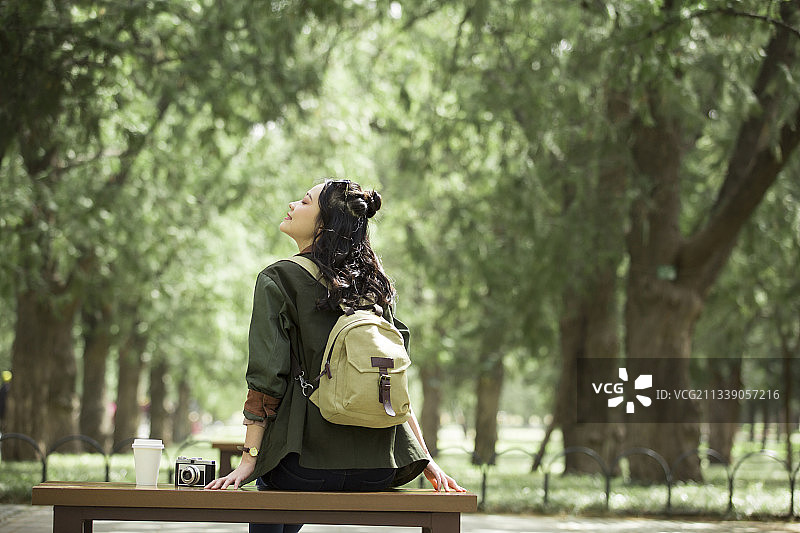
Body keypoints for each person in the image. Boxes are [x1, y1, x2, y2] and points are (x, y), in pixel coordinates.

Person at [205, 179, 465, 533]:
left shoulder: (278, 278)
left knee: (273, 493)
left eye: (305, 201)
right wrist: (426, 461)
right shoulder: (374, 286)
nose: (293, 203)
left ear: (324, 223)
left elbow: (267, 380)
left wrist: (249, 460)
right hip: (379, 468)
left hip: (303, 466)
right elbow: (390, 386)